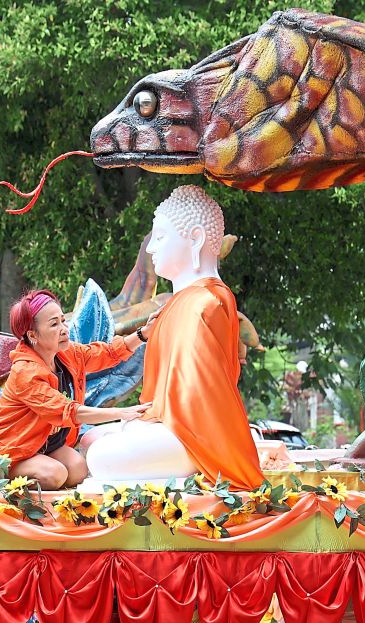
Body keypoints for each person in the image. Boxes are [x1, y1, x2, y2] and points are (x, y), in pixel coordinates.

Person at [86, 185, 264, 490]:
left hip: (197, 436)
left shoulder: (202, 302)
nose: (151, 248)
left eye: (160, 237)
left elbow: (201, 401)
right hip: (174, 426)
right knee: (97, 438)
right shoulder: (185, 301)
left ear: (195, 238)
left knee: (100, 456)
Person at [0, 289, 152, 489]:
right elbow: (70, 411)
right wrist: (121, 413)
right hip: (14, 448)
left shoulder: (66, 353)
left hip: (46, 443)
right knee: (54, 475)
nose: (64, 328)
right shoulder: (26, 372)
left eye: (63, 320)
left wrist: (143, 334)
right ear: (33, 335)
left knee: (78, 469)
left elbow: (107, 354)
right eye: (54, 324)